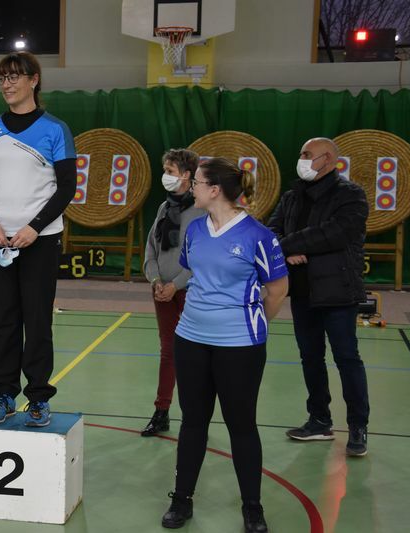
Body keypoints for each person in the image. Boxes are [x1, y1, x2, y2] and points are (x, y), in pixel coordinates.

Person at [161, 158, 288, 532]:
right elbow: (194, 273)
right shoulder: (195, 229)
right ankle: (181, 500)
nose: (192, 188)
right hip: (191, 339)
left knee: (241, 425)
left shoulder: (258, 236)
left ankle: (252, 507)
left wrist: (251, 324)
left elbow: (277, 289)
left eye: (197, 182)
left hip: (240, 346)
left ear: (214, 190)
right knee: (193, 421)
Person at [0, 51, 76, 428]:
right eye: (2, 78)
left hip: (40, 240)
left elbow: (66, 187)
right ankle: (3, 393)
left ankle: (39, 397)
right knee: (4, 318)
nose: (7, 84)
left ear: (34, 80)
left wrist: (35, 227)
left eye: (15, 76)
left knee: (37, 319)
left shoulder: (55, 129)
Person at [267, 137, 370, 457]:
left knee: (347, 358)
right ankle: (319, 420)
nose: (301, 158)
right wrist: (286, 249)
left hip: (338, 292)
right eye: (301, 153)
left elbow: (334, 233)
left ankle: (358, 425)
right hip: (302, 292)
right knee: (310, 358)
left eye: (307, 154)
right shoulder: (292, 196)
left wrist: (288, 244)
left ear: (328, 159)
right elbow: (271, 232)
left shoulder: (351, 195)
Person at [141, 149, 205, 436]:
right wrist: (156, 280)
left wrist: (176, 284)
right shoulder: (164, 208)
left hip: (192, 292)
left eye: (170, 171)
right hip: (162, 292)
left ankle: (197, 415)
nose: (165, 176)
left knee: (197, 355)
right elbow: (151, 248)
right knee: (169, 352)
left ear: (187, 175)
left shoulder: (202, 211)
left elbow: (201, 256)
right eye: (165, 170)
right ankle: (161, 412)